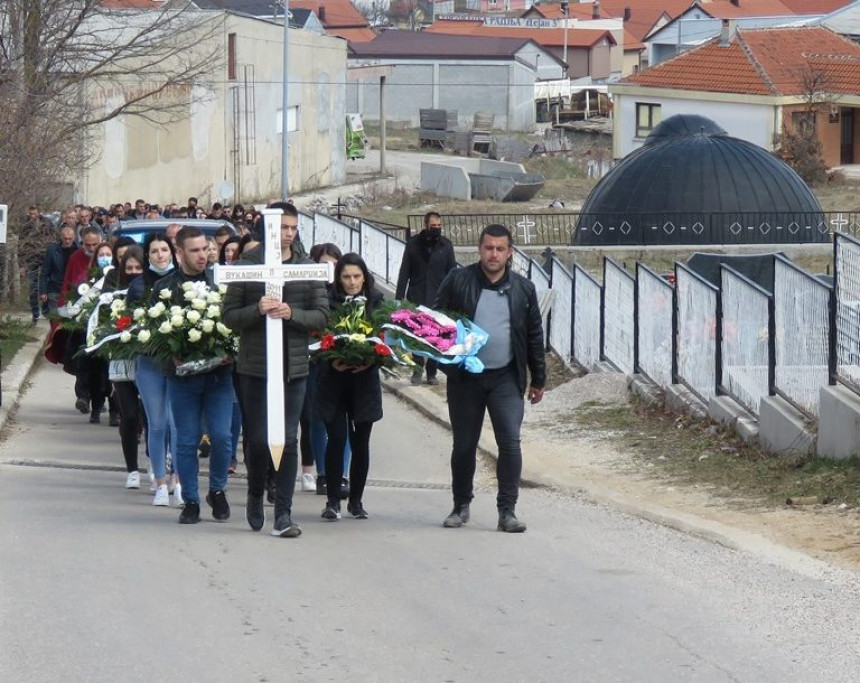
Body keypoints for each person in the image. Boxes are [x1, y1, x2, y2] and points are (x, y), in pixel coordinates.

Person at [223, 202, 328, 537]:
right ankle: (255, 494)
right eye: (282, 227)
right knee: (257, 440)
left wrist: (291, 313)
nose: (287, 234)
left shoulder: (306, 267)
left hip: (293, 366)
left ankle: (283, 512)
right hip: (255, 366)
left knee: (289, 438)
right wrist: (257, 309)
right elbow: (229, 316)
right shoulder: (248, 266)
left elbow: (322, 317)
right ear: (268, 228)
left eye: (293, 228)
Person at [434, 223, 546, 533]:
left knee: (509, 443)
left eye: (500, 249)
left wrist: (538, 378)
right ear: (479, 249)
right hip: (466, 380)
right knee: (464, 444)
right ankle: (460, 506)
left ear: (510, 253)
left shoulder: (524, 289)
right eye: (488, 247)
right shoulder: (459, 281)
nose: (493, 254)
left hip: (506, 379)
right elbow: (435, 322)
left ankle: (507, 511)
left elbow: (534, 335)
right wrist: (449, 364)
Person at [155, 226, 235, 524]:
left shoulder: (220, 283)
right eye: (195, 250)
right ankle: (190, 500)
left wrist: (231, 349)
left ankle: (217, 490)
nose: (203, 255)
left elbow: (234, 321)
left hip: (219, 377)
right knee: (186, 441)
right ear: (179, 253)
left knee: (222, 436)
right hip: (182, 379)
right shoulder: (166, 288)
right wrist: (171, 354)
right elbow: (153, 335)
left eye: (205, 249)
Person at [315, 253, 384, 522]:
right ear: (338, 279)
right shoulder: (328, 302)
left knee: (361, 442)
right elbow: (319, 338)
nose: (352, 282)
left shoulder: (376, 302)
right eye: (346, 277)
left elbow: (383, 338)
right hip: (334, 380)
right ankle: (333, 500)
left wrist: (370, 360)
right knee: (337, 439)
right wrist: (333, 359)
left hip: (364, 382)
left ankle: (356, 500)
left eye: (356, 276)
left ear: (364, 276)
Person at [128, 233, 181, 507]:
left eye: (164, 250)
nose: (160, 255)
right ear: (147, 256)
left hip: (177, 363)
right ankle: (160, 481)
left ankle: (178, 479)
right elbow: (128, 324)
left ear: (171, 252)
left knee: (177, 423)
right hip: (149, 361)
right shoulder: (138, 285)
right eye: (154, 251)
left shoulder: (181, 279)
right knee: (158, 423)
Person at [301, 243, 351, 497]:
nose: (328, 270)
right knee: (316, 419)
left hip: (343, 365)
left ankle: (341, 474)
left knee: (343, 421)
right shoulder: (308, 291)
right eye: (323, 265)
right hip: (315, 363)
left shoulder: (346, 294)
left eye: (333, 265)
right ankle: (322, 473)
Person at [395, 211, 457, 386]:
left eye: (439, 226)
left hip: (438, 299)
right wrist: (399, 299)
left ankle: (432, 372)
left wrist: (453, 298)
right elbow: (404, 272)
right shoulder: (413, 244)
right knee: (416, 335)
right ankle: (417, 368)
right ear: (425, 225)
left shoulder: (446, 246)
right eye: (433, 226)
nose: (436, 229)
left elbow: (452, 273)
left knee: (437, 337)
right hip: (417, 296)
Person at [106, 246, 146, 490]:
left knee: (152, 416)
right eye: (128, 268)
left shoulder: (152, 292)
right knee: (130, 415)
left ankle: (156, 463)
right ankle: (132, 469)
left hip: (148, 360)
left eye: (137, 268)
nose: (133, 272)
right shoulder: (110, 294)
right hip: (122, 358)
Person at [17, 206, 56, 323]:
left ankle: (45, 309)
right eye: (31, 214)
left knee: (46, 285)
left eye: (34, 214)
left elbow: (54, 239)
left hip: (45, 258)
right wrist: (22, 265)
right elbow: (21, 246)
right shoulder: (26, 227)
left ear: (39, 213)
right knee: (32, 286)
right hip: (31, 259)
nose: (32, 216)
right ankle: (35, 312)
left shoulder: (47, 224)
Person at [39, 226, 77, 317]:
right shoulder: (52, 250)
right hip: (55, 289)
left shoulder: (78, 251)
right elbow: (44, 272)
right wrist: (43, 291)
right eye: (65, 238)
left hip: (72, 290)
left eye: (70, 239)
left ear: (74, 238)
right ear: (61, 237)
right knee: (55, 319)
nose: (67, 241)